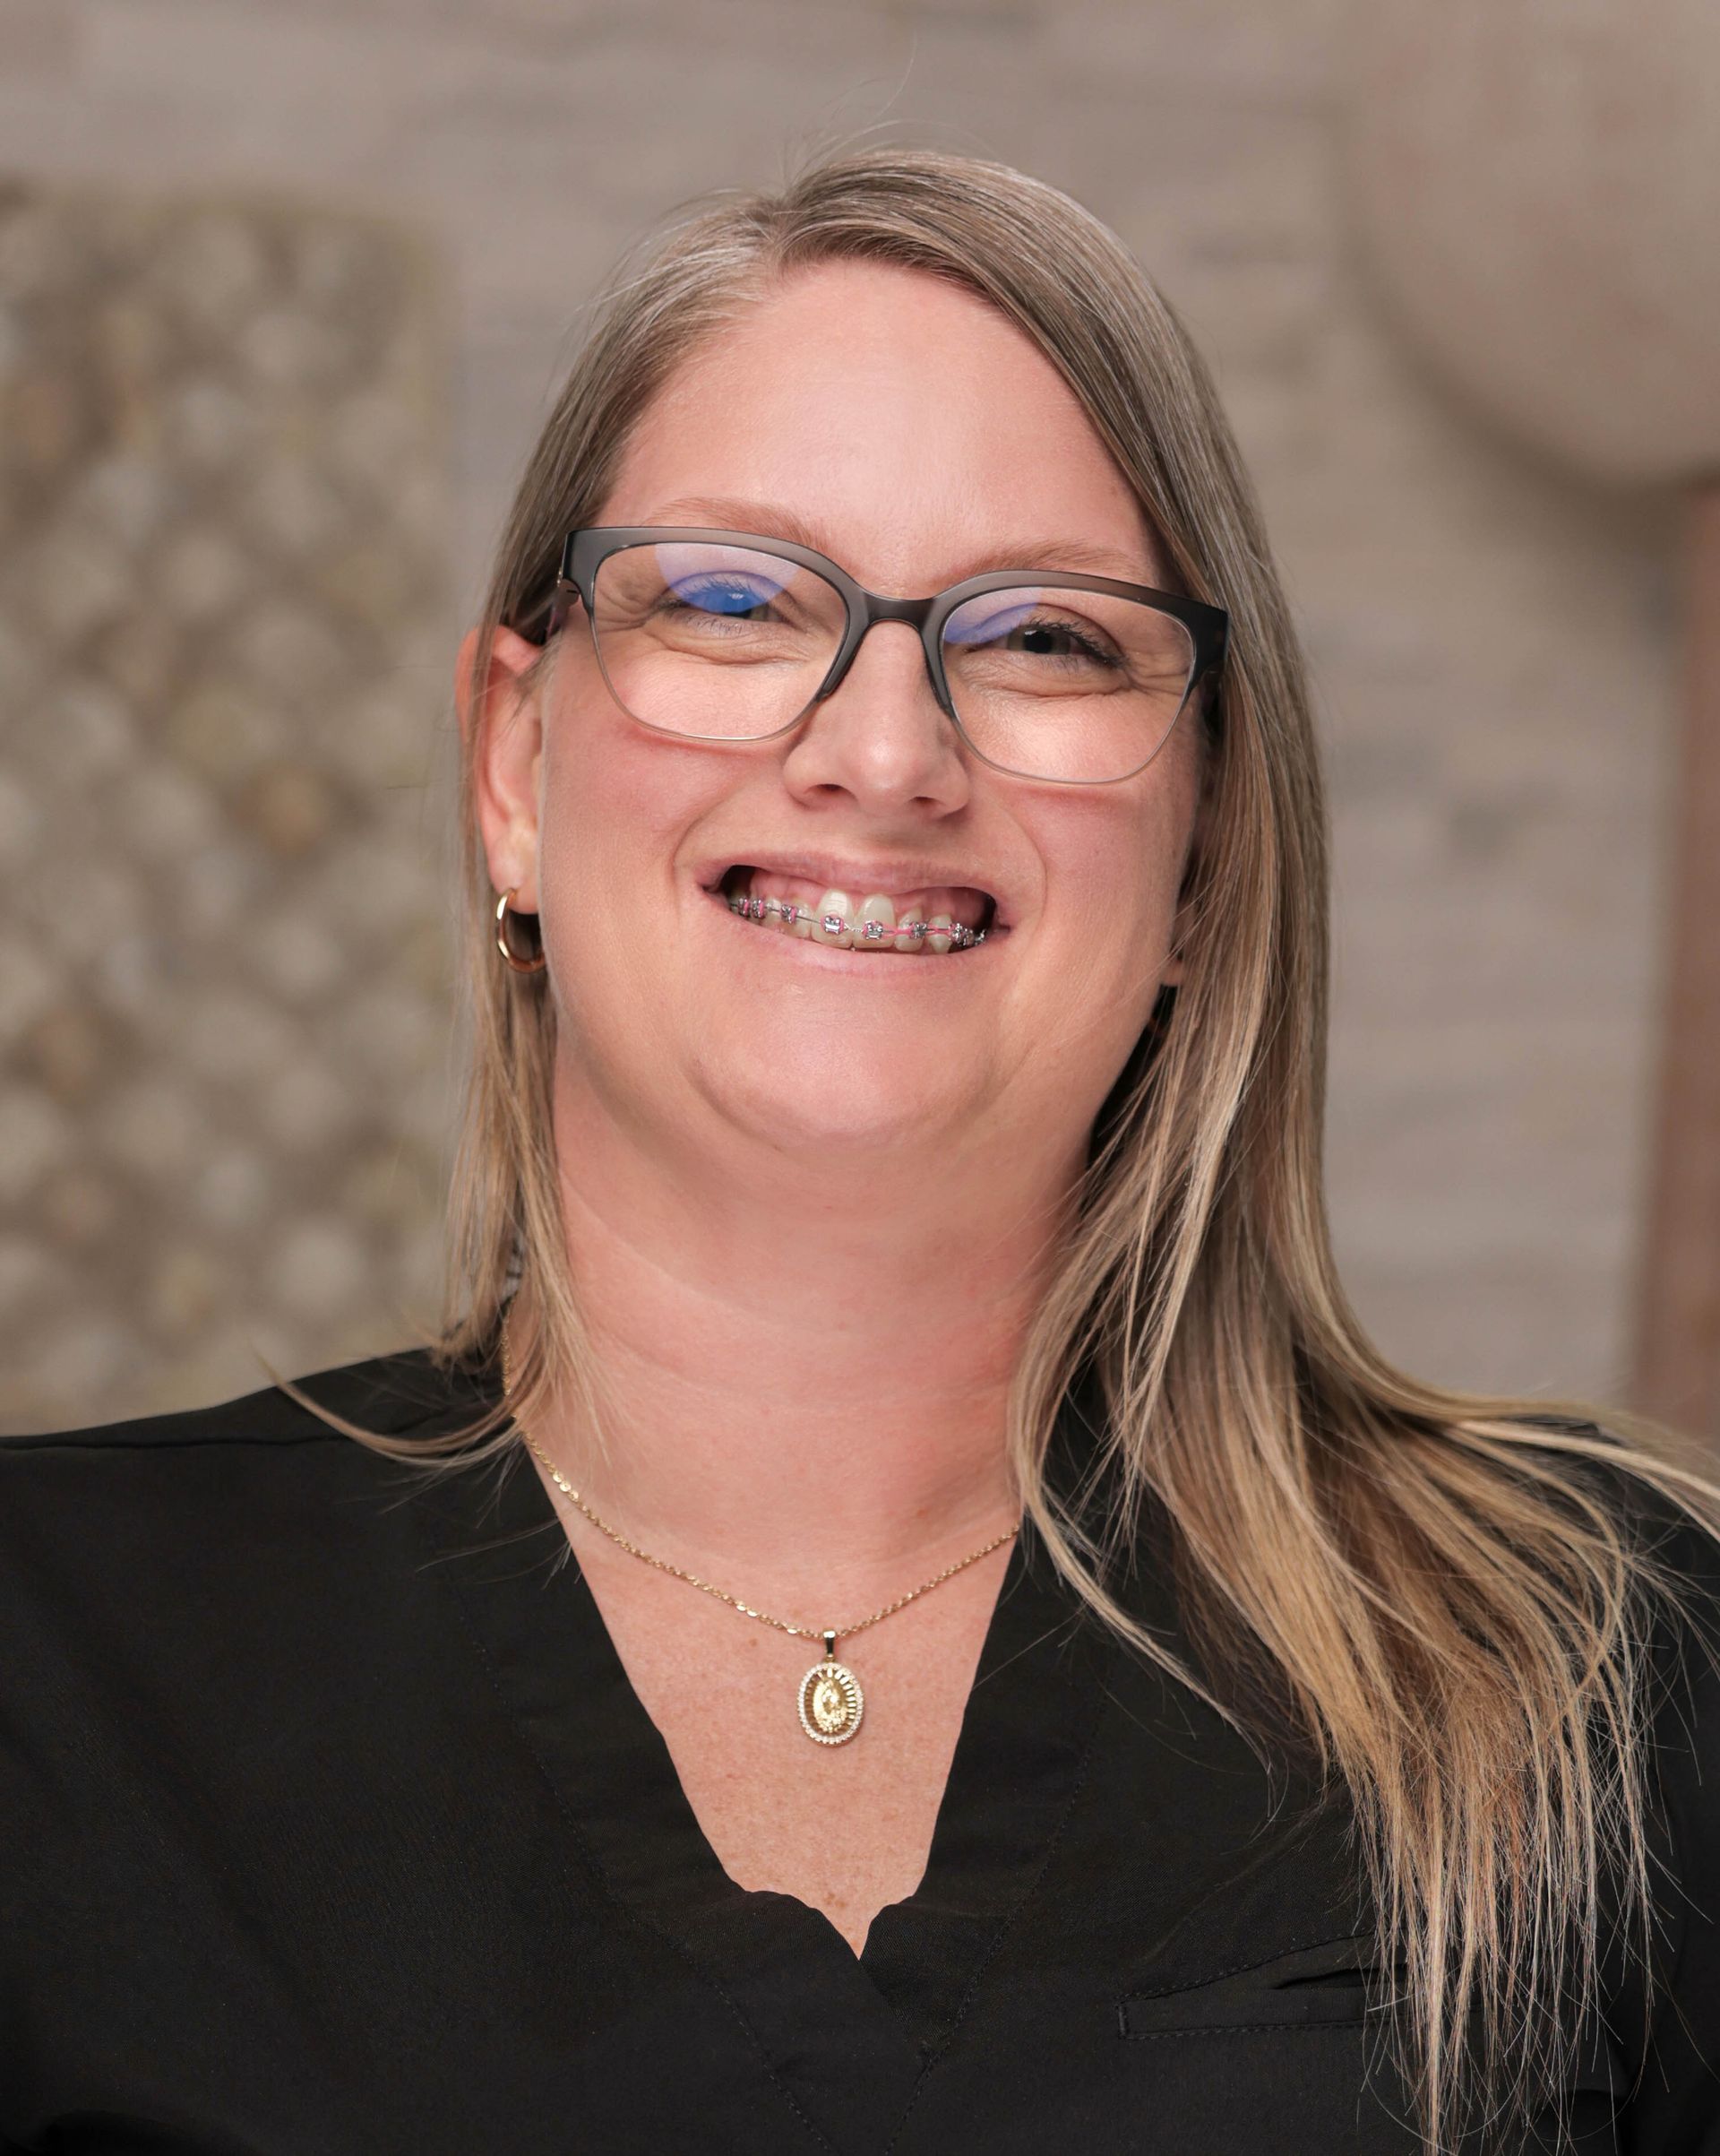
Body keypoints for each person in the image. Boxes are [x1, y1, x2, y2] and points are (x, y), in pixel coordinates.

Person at [4, 147, 1717, 2156]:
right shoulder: (56, 1664)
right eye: (734, 599)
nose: (885, 752)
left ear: (1204, 855)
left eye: (1047, 640)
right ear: (512, 770)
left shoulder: (1607, 1666)